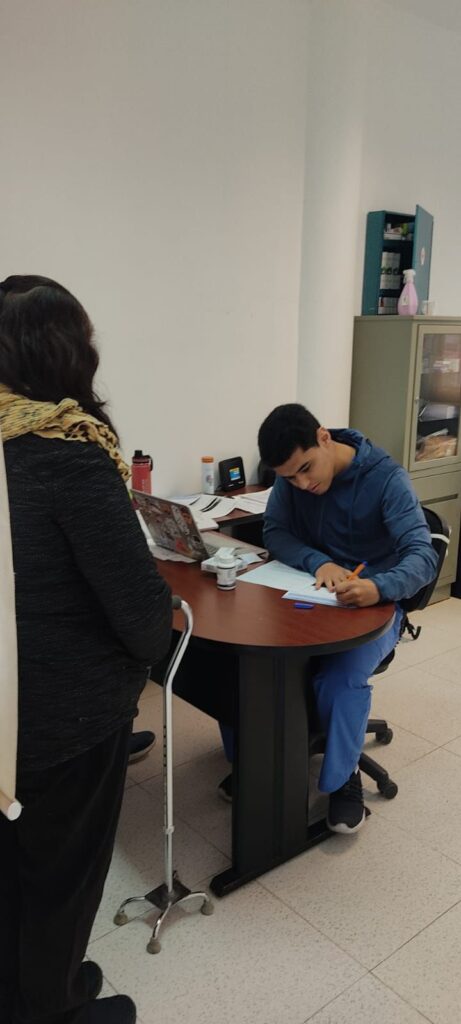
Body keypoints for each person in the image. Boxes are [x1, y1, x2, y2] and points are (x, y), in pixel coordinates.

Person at [0, 276, 172, 1024]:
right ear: (66, 351)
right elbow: (140, 614)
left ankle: (24, 992)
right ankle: (54, 1007)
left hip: (4, 705)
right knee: (60, 879)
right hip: (64, 718)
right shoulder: (66, 451)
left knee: (13, 868)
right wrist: (159, 627)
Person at [218, 402, 438, 828]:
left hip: (373, 609)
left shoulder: (386, 479)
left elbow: (423, 556)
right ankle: (254, 761)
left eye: (306, 469)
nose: (302, 484)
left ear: (324, 437)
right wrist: (319, 562)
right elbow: (275, 531)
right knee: (243, 658)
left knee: (340, 676)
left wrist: (379, 587)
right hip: (309, 596)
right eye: (289, 478)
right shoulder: (292, 479)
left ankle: (342, 778)